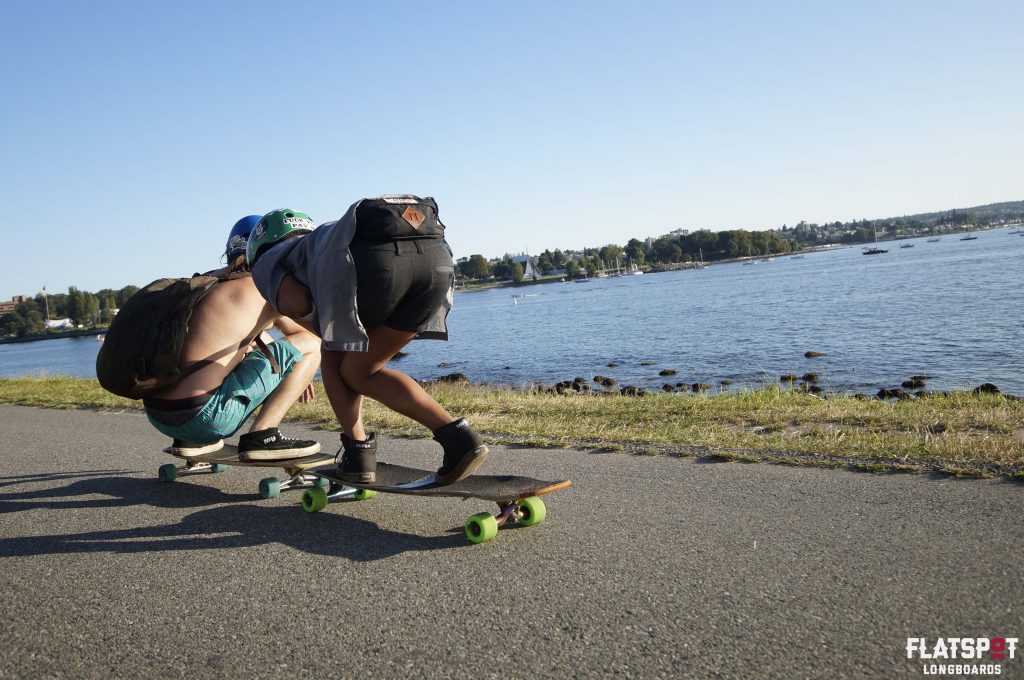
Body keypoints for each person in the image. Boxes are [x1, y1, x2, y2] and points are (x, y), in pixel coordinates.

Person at [247, 200, 488, 485]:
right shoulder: (326, 237)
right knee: (359, 371)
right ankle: (459, 439)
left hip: (377, 268)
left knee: (333, 351)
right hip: (436, 264)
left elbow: (298, 303)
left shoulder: (266, 262)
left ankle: (359, 454)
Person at [141, 216, 323, 461]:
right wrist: (298, 371)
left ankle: (191, 441)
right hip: (205, 418)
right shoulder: (262, 287)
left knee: (252, 346)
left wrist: (288, 364)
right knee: (312, 345)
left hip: (159, 414)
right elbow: (309, 334)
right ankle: (263, 435)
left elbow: (247, 338)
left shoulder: (206, 283)